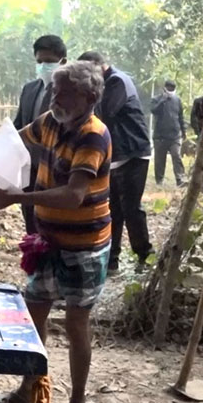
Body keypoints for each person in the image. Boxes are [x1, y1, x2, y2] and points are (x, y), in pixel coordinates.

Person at [0, 61, 111, 403]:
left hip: (84, 248)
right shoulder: (51, 122)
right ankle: (31, 390)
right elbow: (16, 140)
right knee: (33, 314)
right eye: (55, 91)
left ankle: (78, 400)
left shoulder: (93, 135)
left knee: (75, 323)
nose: (55, 98)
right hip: (48, 242)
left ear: (87, 97)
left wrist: (16, 198)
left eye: (64, 92)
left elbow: (74, 195)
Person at [77, 51, 153, 274]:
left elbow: (106, 114)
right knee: (113, 209)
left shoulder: (117, 81)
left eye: (88, 72)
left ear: (99, 66)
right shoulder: (102, 84)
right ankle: (112, 260)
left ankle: (145, 256)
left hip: (133, 153)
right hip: (116, 154)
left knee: (131, 207)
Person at [13, 35, 68, 234]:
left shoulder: (71, 93)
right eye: (39, 62)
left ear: (63, 61)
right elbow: (18, 125)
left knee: (54, 223)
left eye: (49, 62)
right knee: (30, 220)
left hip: (58, 171)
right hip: (30, 168)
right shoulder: (29, 90)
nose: (43, 66)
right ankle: (35, 258)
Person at [151, 80, 187, 186]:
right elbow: (153, 110)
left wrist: (183, 130)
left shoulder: (177, 100)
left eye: (173, 88)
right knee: (160, 160)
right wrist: (163, 100)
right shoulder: (156, 99)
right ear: (165, 88)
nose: (171, 90)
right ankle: (159, 180)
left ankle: (180, 179)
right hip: (160, 136)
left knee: (176, 156)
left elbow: (180, 116)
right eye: (169, 88)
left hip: (175, 135)